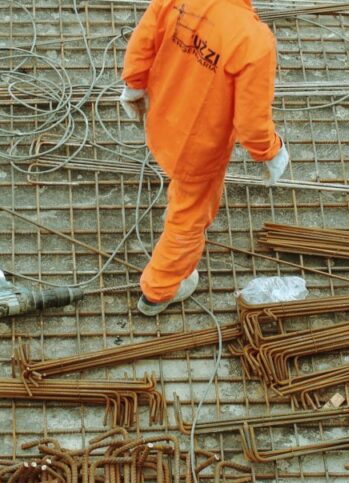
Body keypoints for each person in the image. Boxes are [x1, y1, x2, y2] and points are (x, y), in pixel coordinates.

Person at [119, 0, 290, 316]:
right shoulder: (253, 41)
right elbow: (252, 124)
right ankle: (159, 290)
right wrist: (272, 151)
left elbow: (143, 40)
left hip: (161, 118)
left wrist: (134, 84)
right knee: (189, 216)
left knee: (181, 191)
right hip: (197, 148)